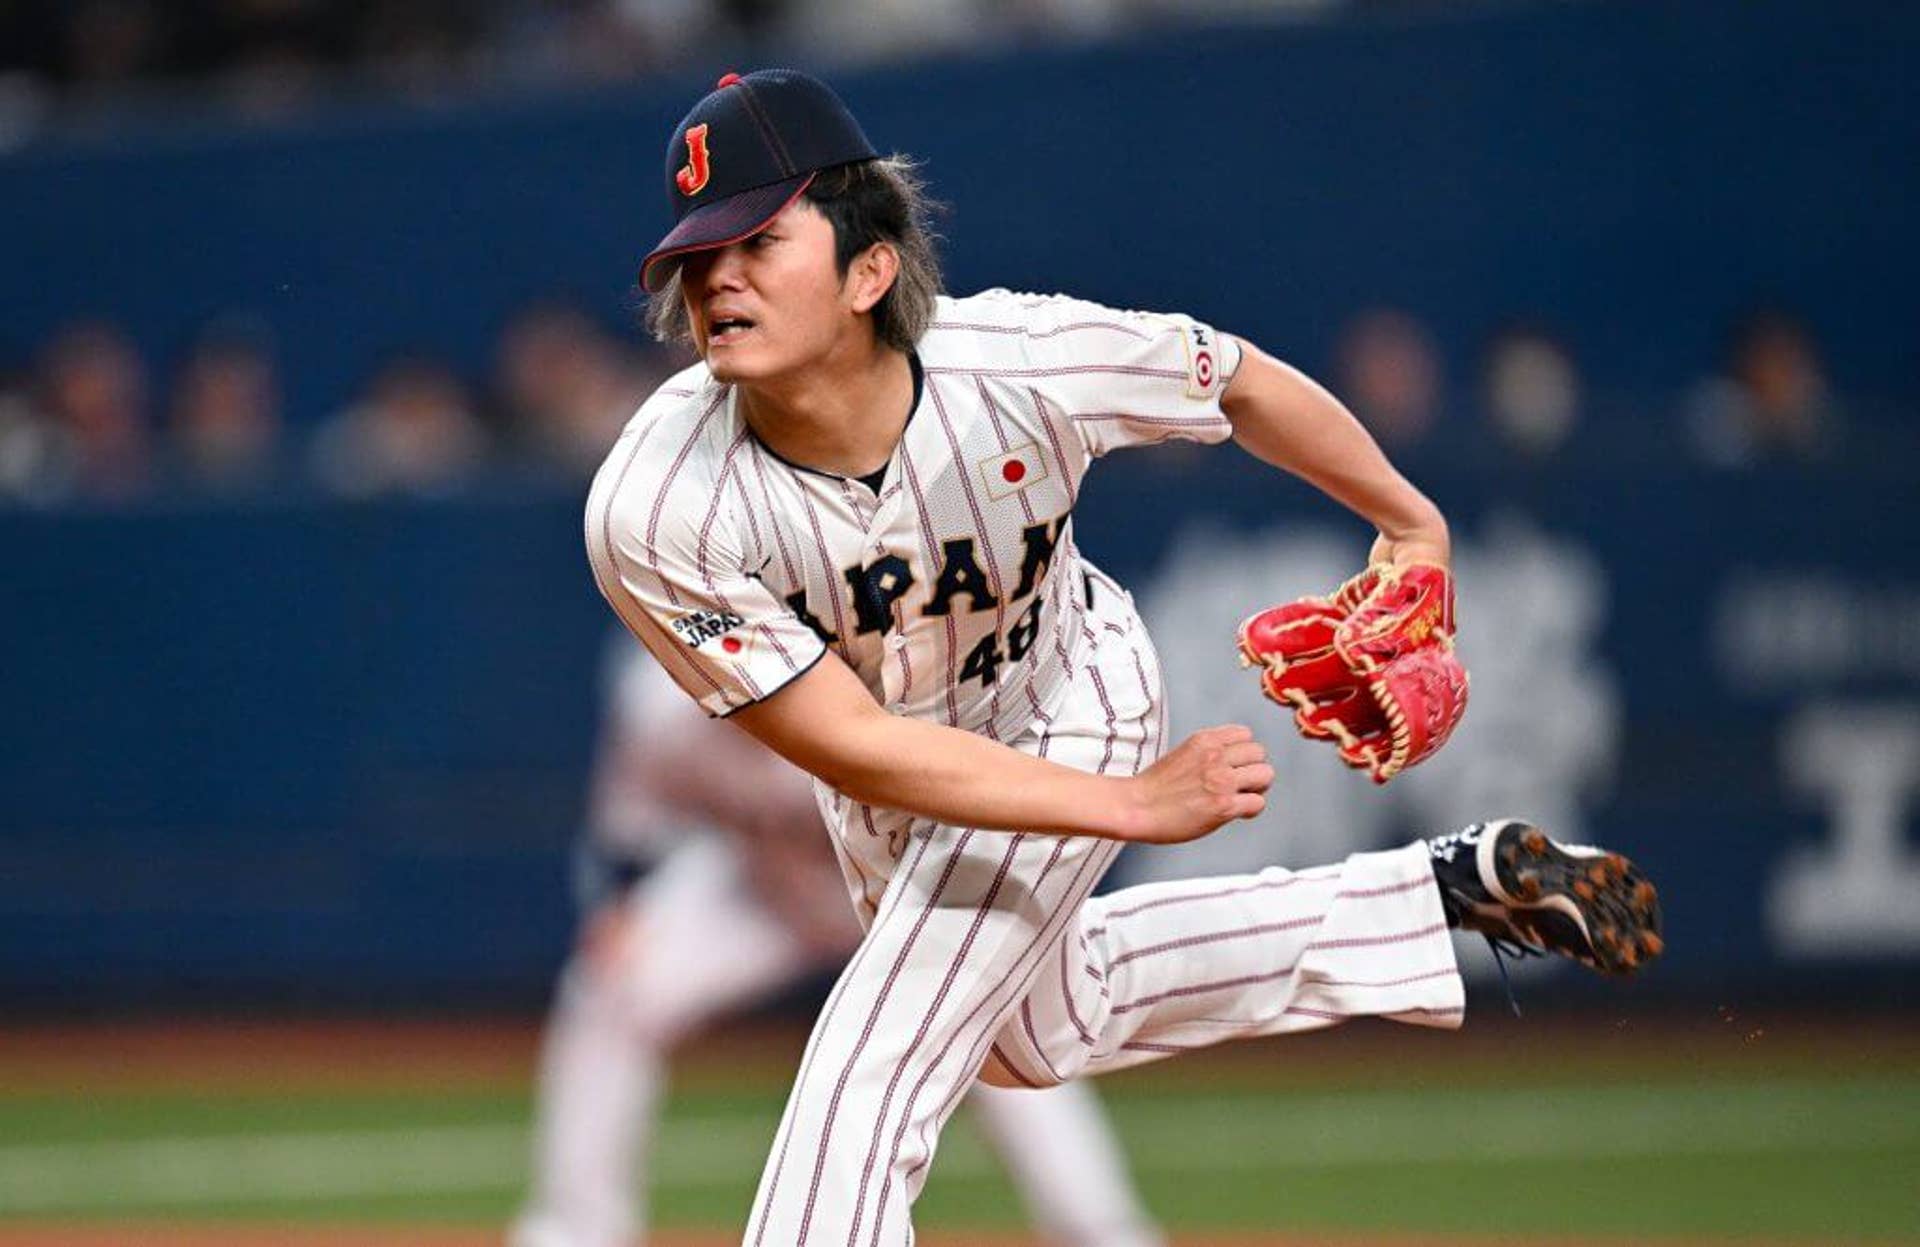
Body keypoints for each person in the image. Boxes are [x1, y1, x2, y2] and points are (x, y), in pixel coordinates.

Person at [583, 70, 1662, 1246]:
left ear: (869, 268)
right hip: (894, 780)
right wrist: (1130, 808)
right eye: (696, 252)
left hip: (1065, 692)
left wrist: (1412, 520)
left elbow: (1236, 380)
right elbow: (861, 747)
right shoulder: (653, 504)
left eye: (755, 237)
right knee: (1036, 1031)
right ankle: (1435, 893)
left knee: (868, 1064)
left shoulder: (1019, 362)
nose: (716, 276)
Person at [510, 638, 1166, 1247]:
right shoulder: (659, 703)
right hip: (762, 888)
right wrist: (623, 905)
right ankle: (573, 1227)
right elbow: (632, 818)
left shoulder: (880, 684)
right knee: (613, 986)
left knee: (995, 1032)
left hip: (905, 888)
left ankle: (1101, 1230)